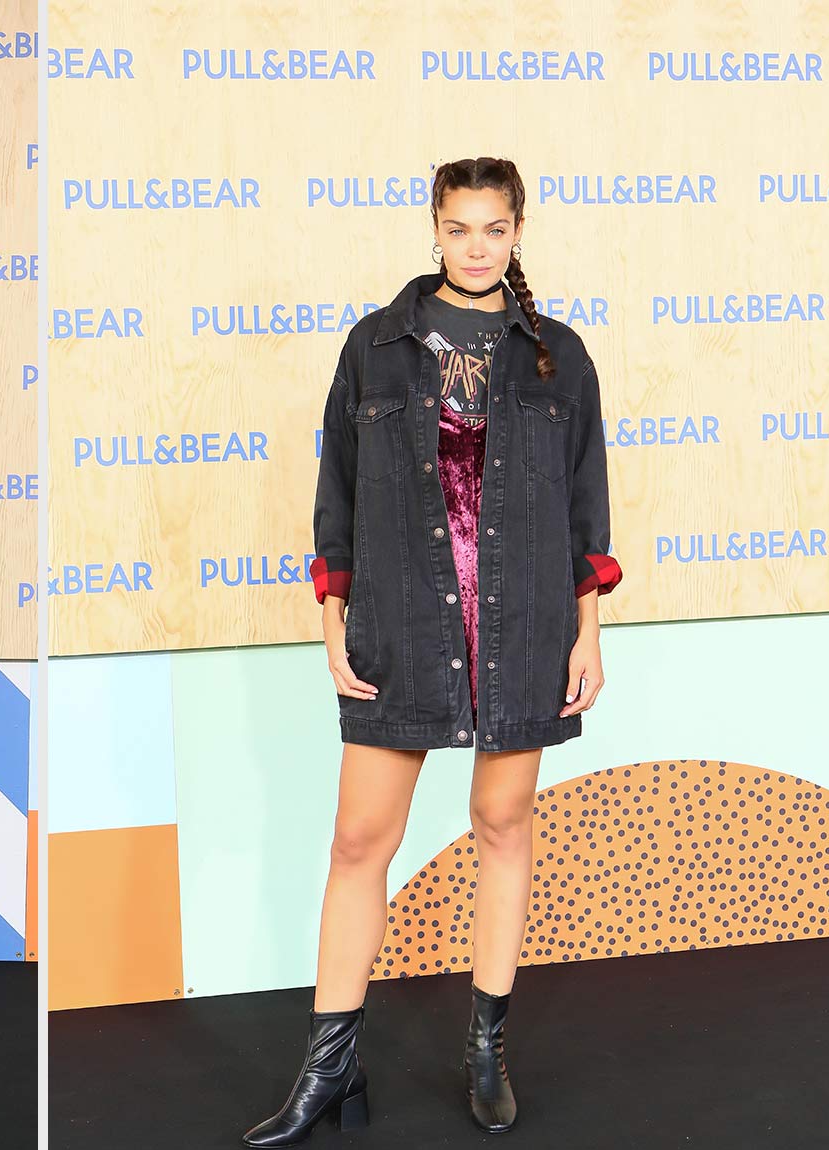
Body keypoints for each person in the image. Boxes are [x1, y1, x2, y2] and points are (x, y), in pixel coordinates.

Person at [241, 157, 621, 1146]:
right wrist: (334, 618)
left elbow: (584, 503)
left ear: (517, 231)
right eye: (459, 228)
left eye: (494, 228)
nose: (476, 246)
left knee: (502, 825)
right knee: (356, 842)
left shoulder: (559, 356)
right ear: (435, 230)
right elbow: (336, 494)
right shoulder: (375, 347)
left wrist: (586, 628)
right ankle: (329, 1068)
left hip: (521, 624)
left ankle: (486, 1049)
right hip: (402, 621)